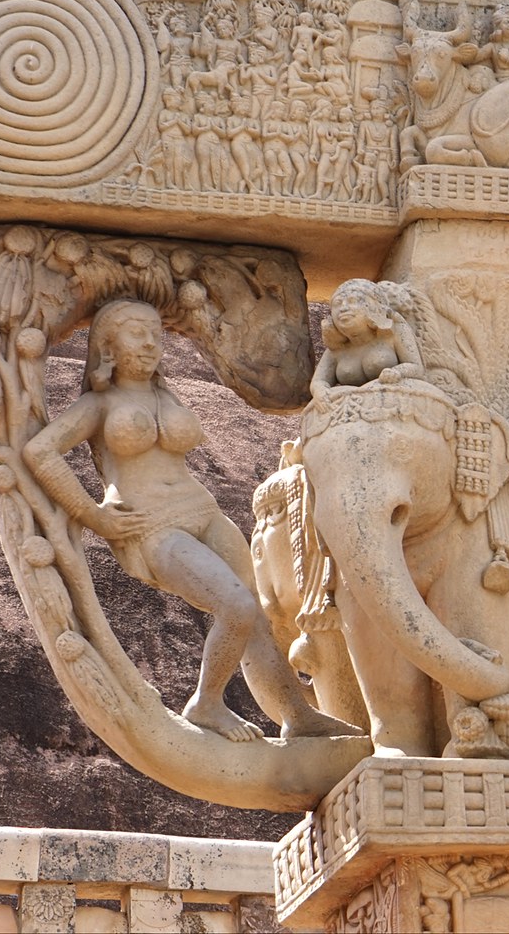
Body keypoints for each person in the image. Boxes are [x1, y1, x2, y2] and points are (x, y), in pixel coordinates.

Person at [24, 300, 358, 743]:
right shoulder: (99, 404)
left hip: (202, 511)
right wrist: (92, 515)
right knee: (234, 606)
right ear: (107, 345)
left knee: (256, 614)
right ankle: (206, 703)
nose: (149, 343)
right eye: (135, 334)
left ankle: (296, 714)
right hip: (149, 524)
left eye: (155, 334)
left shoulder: (166, 395)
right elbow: (40, 451)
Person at [310, 279, 425, 400]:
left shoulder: (395, 331)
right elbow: (318, 381)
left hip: (394, 402)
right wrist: (320, 390)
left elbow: (416, 367)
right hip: (351, 409)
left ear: (373, 306)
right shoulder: (336, 349)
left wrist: (398, 372)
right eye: (337, 304)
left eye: (352, 301)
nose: (343, 308)